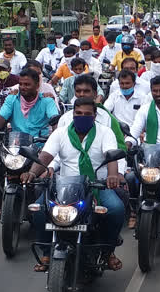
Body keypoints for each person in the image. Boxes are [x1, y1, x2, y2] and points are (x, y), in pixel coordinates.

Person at [22, 97, 126, 273]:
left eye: (87, 114)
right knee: (38, 209)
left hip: (96, 185)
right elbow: (45, 157)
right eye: (78, 113)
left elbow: (111, 157)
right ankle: (47, 251)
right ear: (72, 114)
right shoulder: (60, 133)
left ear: (94, 116)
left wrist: (113, 175)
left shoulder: (105, 132)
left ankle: (108, 251)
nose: (82, 117)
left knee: (116, 208)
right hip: (65, 186)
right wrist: (32, 172)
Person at [0, 68, 59, 214]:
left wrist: (56, 133)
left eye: (27, 84)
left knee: (46, 175)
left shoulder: (47, 101)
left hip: (38, 146)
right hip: (14, 145)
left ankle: (42, 205)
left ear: (37, 85)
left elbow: (54, 120)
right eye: (21, 84)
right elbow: (2, 116)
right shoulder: (12, 99)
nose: (23, 87)